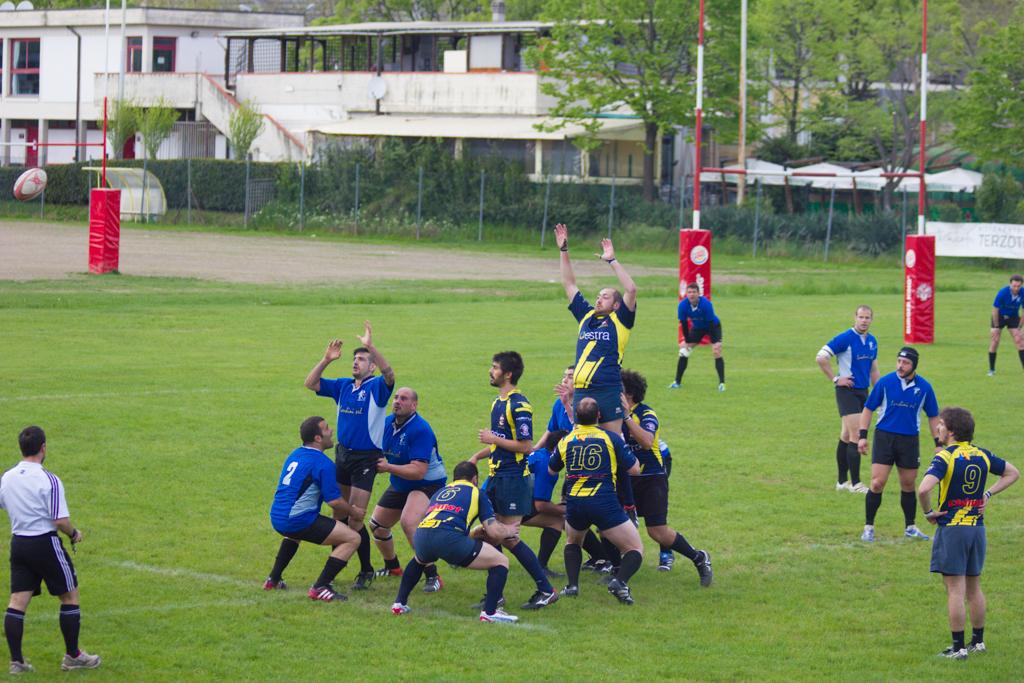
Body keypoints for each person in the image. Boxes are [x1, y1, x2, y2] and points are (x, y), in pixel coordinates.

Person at [916, 407, 1019, 659]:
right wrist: (987, 494)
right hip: (977, 528)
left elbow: (923, 489)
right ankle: (978, 642)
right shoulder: (982, 454)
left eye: (941, 424)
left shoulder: (945, 457)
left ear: (951, 431)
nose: (937, 428)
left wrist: (928, 512)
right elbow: (1013, 473)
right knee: (974, 588)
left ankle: (958, 648)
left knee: (955, 590)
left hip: (953, 529)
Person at [0, 427, 100, 674]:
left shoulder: (7, 477)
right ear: (43, 447)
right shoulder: (49, 480)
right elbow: (60, 520)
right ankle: (73, 656)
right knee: (70, 596)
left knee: (17, 601)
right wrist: (74, 534)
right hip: (45, 543)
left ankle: (17, 662)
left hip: (19, 544)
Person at [304, 321, 395, 590]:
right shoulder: (344, 386)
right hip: (343, 455)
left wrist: (371, 347)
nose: (356, 362)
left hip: (366, 459)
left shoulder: (377, 387)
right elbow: (310, 383)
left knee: (356, 517)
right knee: (339, 514)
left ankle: (363, 570)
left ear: (372, 366)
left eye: (362, 359)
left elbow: (390, 374)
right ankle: (352, 566)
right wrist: (326, 360)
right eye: (354, 359)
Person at [470, 352, 558, 610]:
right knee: (493, 534)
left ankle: (546, 590)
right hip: (497, 476)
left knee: (508, 538)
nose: (491, 371)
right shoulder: (497, 403)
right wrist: (478, 455)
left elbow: (526, 446)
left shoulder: (519, 405)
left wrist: (493, 439)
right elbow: (499, 442)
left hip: (513, 479)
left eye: (495, 367)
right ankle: (496, 595)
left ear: (508, 374)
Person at [390, 461, 522, 623]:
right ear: (475, 479)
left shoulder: (440, 491)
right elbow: (493, 531)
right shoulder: (477, 492)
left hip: (422, 534)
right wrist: (509, 530)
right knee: (501, 561)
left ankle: (399, 604)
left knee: (419, 560)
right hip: (448, 538)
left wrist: (471, 534)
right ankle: (490, 612)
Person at [621, 370, 712, 586]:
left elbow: (646, 441)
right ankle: (616, 570)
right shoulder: (612, 414)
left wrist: (626, 417)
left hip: (651, 479)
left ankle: (699, 558)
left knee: (657, 532)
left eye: (618, 389)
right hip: (625, 479)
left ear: (629, 393)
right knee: (612, 524)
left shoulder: (646, 413)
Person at [549, 398, 644, 605]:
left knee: (573, 541)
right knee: (635, 548)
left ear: (576, 416)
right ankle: (619, 582)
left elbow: (551, 469)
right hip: (603, 502)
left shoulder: (566, 440)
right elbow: (634, 469)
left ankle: (572, 585)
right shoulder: (610, 438)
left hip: (575, 503)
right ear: (599, 416)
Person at [266, 417, 362, 602]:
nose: (331, 431)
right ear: (318, 438)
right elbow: (334, 502)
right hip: (297, 520)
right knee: (352, 538)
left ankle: (273, 579)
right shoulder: (323, 463)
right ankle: (321, 586)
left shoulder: (295, 454)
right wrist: (354, 512)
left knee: (294, 534)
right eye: (326, 429)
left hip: (277, 517)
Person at [554, 223, 638, 433]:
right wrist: (564, 250)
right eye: (598, 296)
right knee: (582, 440)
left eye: (605, 297)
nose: (599, 300)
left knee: (612, 441)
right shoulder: (586, 315)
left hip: (608, 390)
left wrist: (612, 261)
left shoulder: (621, 321)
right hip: (582, 390)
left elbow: (631, 289)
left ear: (616, 305)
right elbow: (569, 283)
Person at [367, 387, 448, 593]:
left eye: (403, 399)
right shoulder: (386, 423)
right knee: (377, 525)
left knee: (409, 522)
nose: (397, 401)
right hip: (402, 481)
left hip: (427, 483)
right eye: (396, 397)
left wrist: (388, 467)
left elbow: (419, 471)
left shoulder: (421, 430)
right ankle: (393, 567)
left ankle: (433, 576)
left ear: (414, 405)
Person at [857, 347, 940, 542]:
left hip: (909, 440)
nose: (900, 366)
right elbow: (868, 409)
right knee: (877, 483)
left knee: (909, 483)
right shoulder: (885, 382)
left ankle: (910, 527)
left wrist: (938, 443)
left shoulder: (925, 388)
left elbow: (933, 416)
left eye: (906, 363)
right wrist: (862, 436)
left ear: (914, 365)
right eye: (899, 361)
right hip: (884, 438)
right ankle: (868, 527)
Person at [816, 305, 880, 493]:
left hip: (863, 392)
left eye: (867, 317)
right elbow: (821, 357)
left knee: (845, 435)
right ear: (855, 318)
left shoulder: (872, 341)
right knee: (856, 435)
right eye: (861, 317)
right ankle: (856, 484)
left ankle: (842, 482)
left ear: (871, 319)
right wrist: (836, 379)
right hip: (847, 392)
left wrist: (880, 394)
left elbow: (873, 369)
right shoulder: (845, 338)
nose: (864, 321)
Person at [671, 283, 726, 391]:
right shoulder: (682, 305)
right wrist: (687, 341)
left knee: (716, 351)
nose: (691, 294)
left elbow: (711, 323)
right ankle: (677, 382)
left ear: (698, 293)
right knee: (683, 351)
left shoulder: (706, 304)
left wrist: (714, 342)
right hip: (698, 328)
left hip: (713, 326)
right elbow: (684, 324)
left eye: (694, 292)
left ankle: (722, 384)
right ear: (686, 294)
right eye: (689, 292)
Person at [987, 274, 1024, 376]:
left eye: (1018, 286)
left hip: (1013, 317)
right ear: (1010, 284)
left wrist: (1020, 328)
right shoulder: (1002, 293)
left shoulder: (1023, 292)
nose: (1016, 288)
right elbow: (995, 310)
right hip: (999, 316)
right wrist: (996, 327)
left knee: (1020, 341)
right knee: (995, 341)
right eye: (1014, 286)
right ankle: (991, 370)